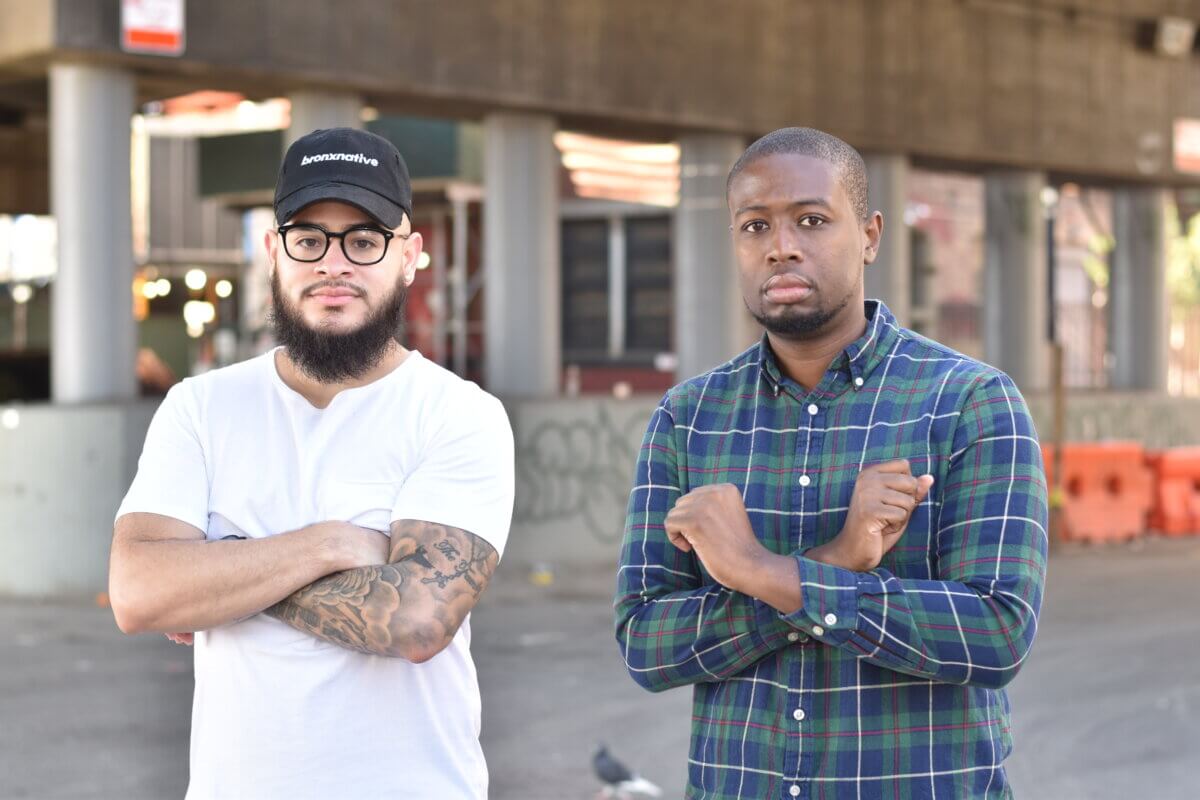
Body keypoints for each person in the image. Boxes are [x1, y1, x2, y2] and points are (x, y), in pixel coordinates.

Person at [614, 127, 1047, 798]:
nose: (780, 246)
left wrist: (763, 573)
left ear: (871, 235)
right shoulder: (689, 417)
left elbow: (996, 634)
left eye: (811, 220)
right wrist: (834, 561)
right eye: (754, 226)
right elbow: (645, 643)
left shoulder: (968, 402)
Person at [109, 127, 514, 799]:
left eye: (363, 239)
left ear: (410, 255)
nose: (334, 263)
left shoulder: (456, 414)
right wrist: (331, 544)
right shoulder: (199, 408)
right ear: (274, 250)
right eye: (308, 238)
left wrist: (219, 573)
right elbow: (137, 592)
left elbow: (416, 620)